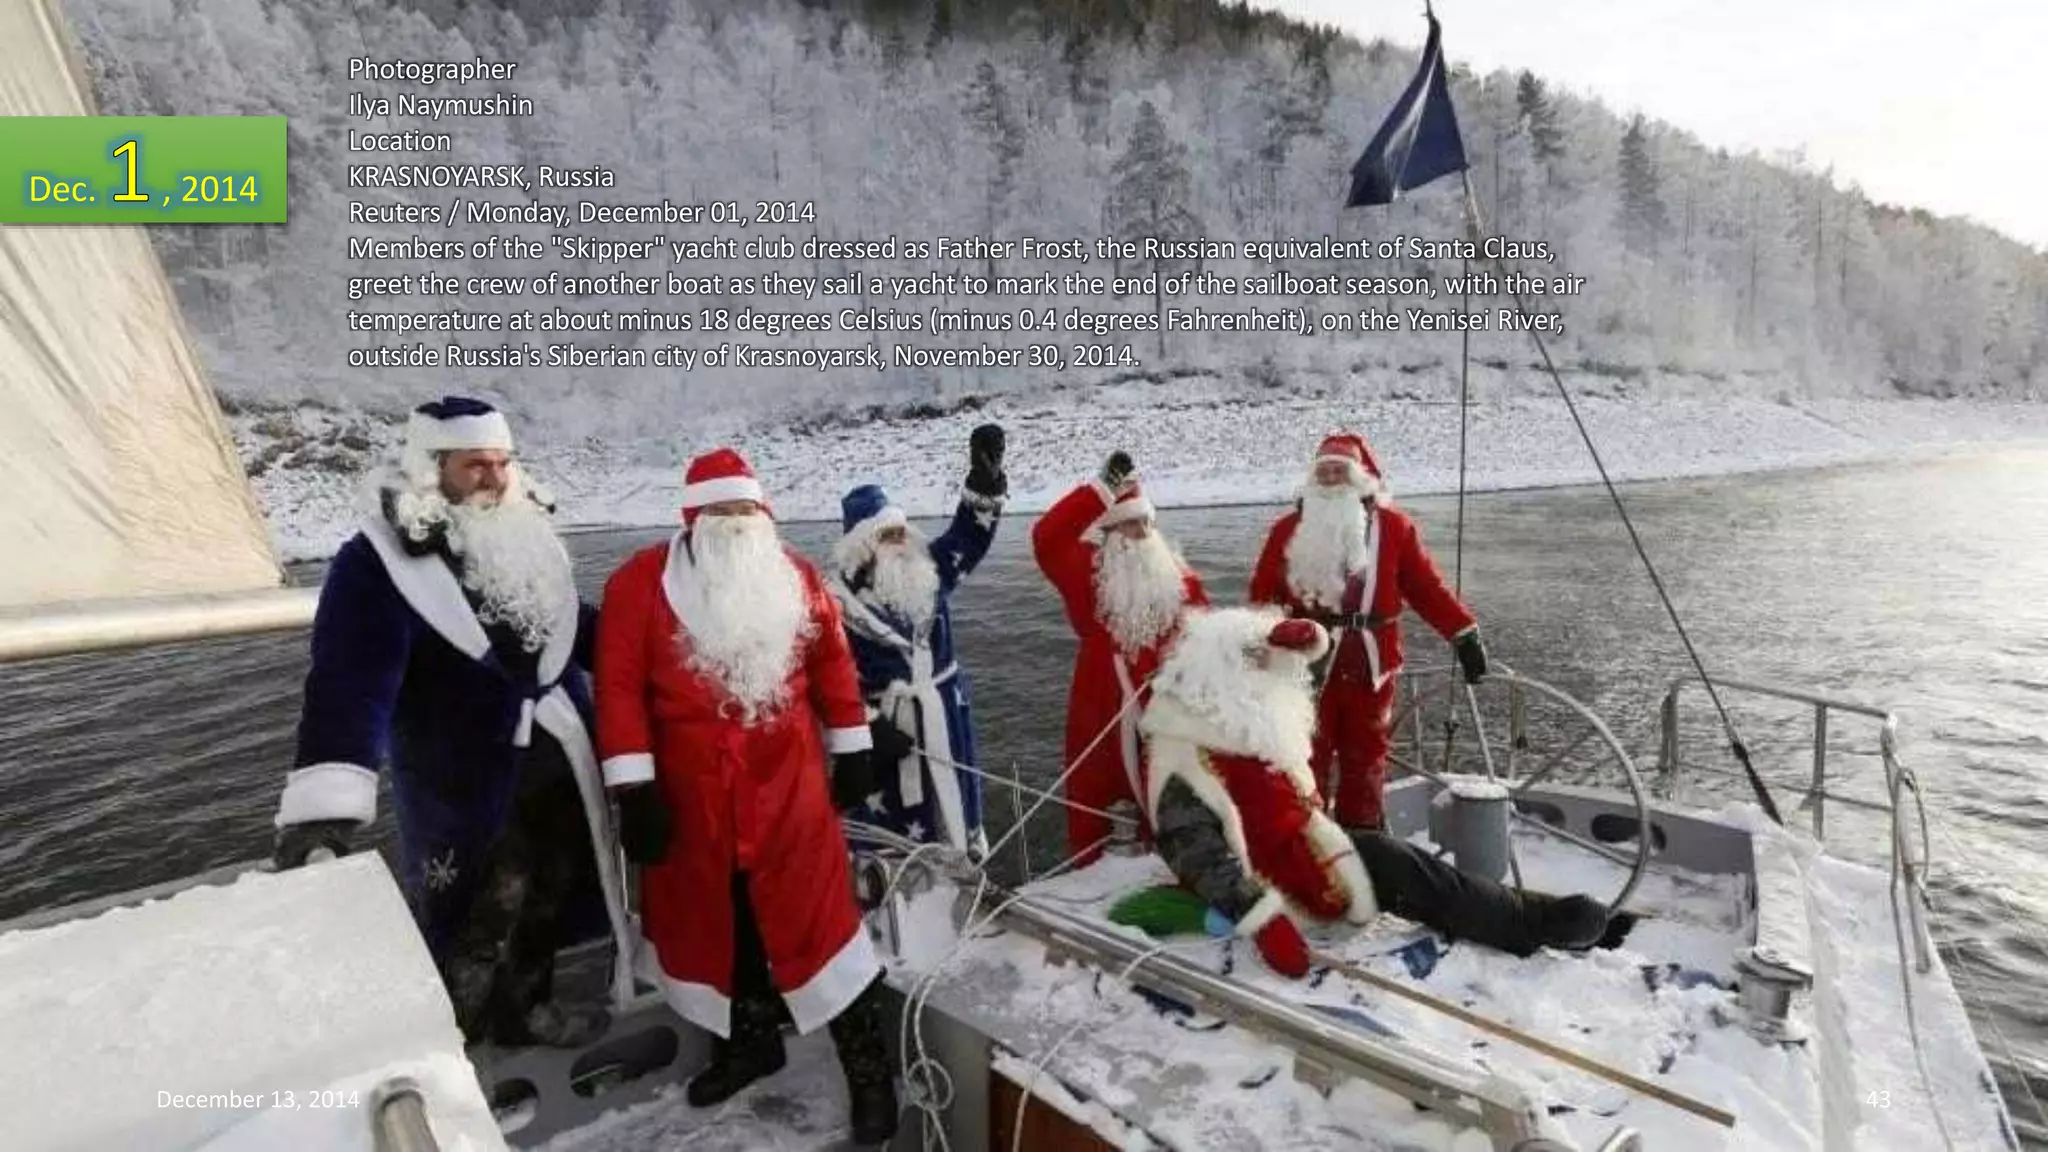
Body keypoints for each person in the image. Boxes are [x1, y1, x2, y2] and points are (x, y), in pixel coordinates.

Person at [272, 396, 631, 1048]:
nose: (494, 480)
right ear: (431, 469)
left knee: (552, 888)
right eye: (476, 466)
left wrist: (682, 651)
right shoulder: (374, 565)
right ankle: (454, 1047)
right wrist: (323, 811)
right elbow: (348, 685)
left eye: (502, 463)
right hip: (461, 778)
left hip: (557, 761)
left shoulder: (525, 543)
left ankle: (528, 1010)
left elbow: (576, 630)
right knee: (474, 916)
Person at [591, 446, 899, 1146]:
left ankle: (871, 1076)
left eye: (745, 511)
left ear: (764, 516)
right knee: (724, 932)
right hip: (692, 803)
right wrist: (635, 789)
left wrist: (852, 747)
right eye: (720, 512)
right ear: (691, 518)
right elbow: (618, 688)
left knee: (830, 936)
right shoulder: (639, 584)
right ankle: (748, 1046)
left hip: (788, 795)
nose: (735, 523)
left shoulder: (795, 578)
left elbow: (831, 663)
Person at [1141, 606, 1608, 976]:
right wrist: (1262, 920)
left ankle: (1526, 916)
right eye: (1258, 663)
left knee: (1397, 864)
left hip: (1308, 856)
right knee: (1394, 864)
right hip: (1270, 884)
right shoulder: (1186, 748)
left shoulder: (1248, 724)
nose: (1271, 674)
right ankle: (1528, 922)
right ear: (1223, 673)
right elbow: (1193, 851)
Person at [1249, 432, 1489, 833]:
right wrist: (1258, 644)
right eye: (1322, 470)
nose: (1329, 478)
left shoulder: (1395, 528)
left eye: (1338, 471)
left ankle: (1366, 844)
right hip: (1304, 663)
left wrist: (1463, 633)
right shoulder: (1287, 529)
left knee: (1367, 757)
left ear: (1359, 478)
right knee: (1304, 753)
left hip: (1370, 662)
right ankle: (1307, 843)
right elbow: (1261, 596)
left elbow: (1426, 589)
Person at [829, 424, 1007, 857]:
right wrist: (869, 723)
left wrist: (983, 485)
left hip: (945, 718)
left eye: (900, 532)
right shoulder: (833, 606)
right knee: (893, 823)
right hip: (888, 734)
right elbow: (827, 679)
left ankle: (965, 866)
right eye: (886, 536)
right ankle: (890, 887)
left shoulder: (929, 573)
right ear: (861, 546)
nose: (898, 542)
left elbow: (969, 537)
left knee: (956, 806)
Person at [1033, 451, 1209, 865]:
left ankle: (1171, 856)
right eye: (1130, 523)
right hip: (1102, 698)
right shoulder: (1085, 570)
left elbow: (1208, 630)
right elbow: (1047, 538)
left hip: (1165, 698)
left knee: (1171, 780)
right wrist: (1102, 489)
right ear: (1109, 531)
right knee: (1096, 782)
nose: (1142, 532)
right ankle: (1089, 866)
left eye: (1147, 522)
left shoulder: (1177, 575)